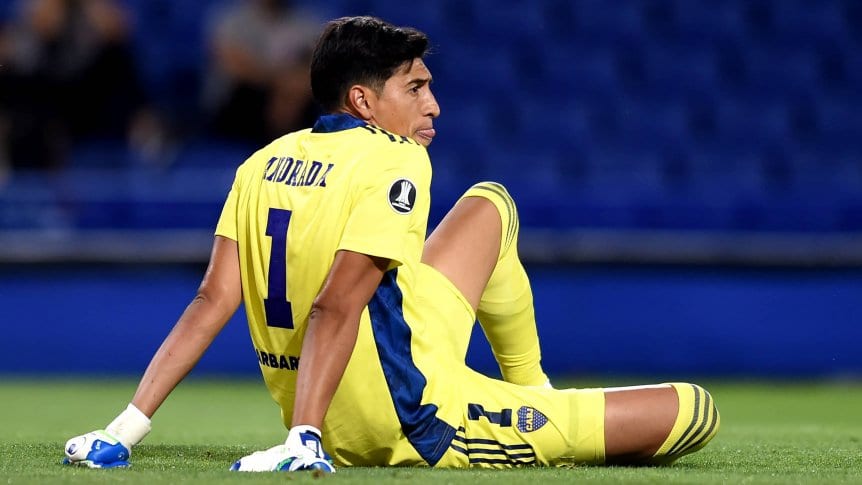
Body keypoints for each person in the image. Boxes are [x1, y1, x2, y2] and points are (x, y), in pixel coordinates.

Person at [63, 16, 719, 471]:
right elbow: (336, 304)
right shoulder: (397, 160)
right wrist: (304, 438)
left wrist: (126, 427)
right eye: (416, 88)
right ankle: (536, 409)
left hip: (355, 372)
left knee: (490, 205)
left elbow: (212, 299)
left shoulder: (262, 162)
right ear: (363, 100)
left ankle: (533, 387)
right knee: (692, 409)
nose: (434, 105)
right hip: (409, 416)